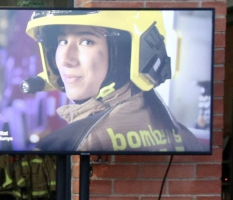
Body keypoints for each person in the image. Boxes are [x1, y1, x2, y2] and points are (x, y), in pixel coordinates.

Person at [26, 10, 203, 153]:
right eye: (62, 41)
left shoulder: (66, 144)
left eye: (87, 41)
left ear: (127, 54)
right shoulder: (187, 138)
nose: (65, 59)